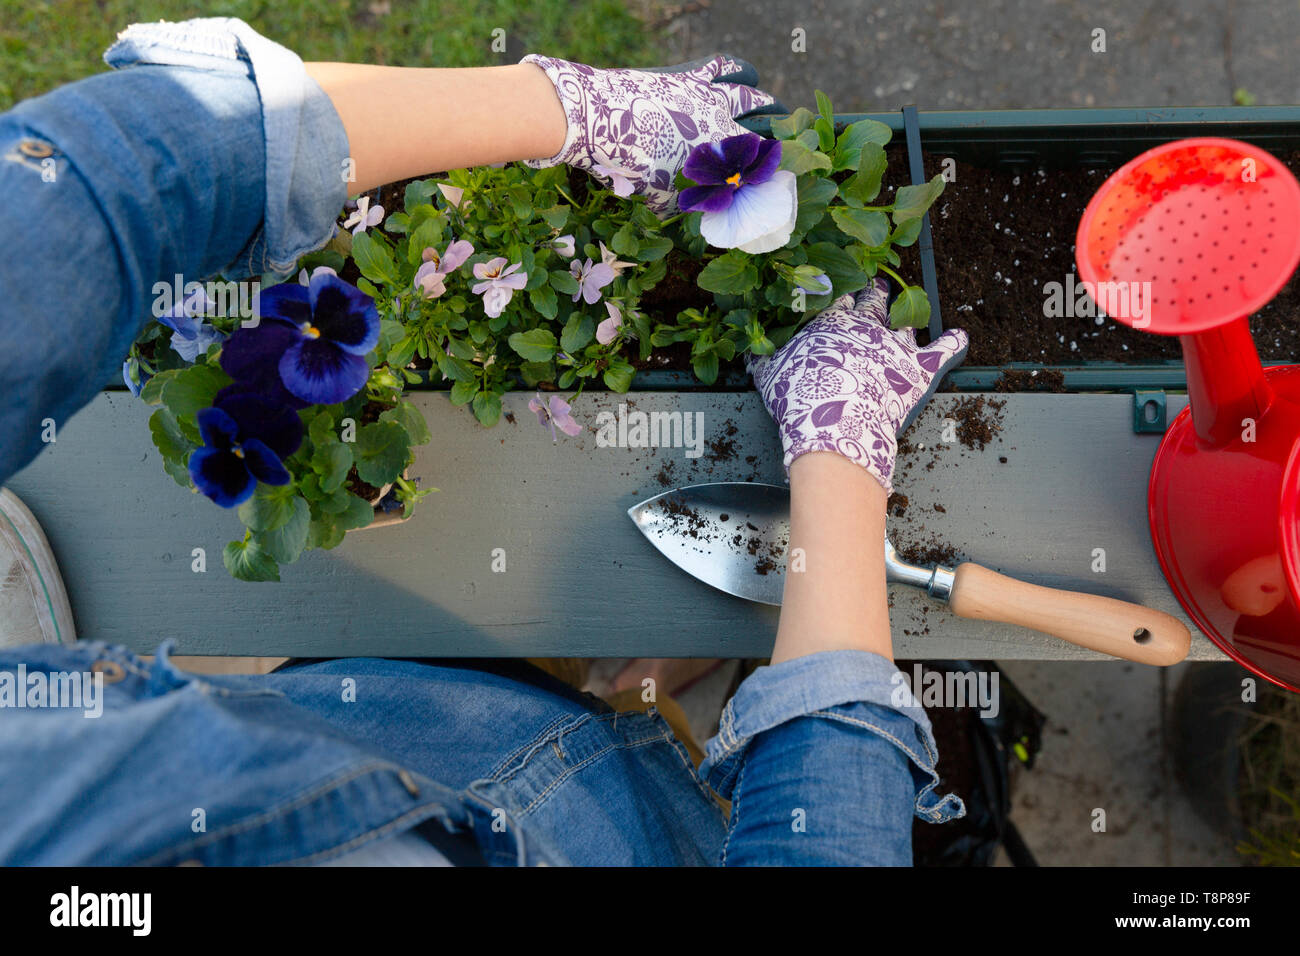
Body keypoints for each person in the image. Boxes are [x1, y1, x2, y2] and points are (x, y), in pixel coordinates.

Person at [0, 18, 967, 865]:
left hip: (306, 722)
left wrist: (565, 109)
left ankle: (668, 663)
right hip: (578, 812)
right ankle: (678, 674)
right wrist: (840, 450)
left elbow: (71, 210)